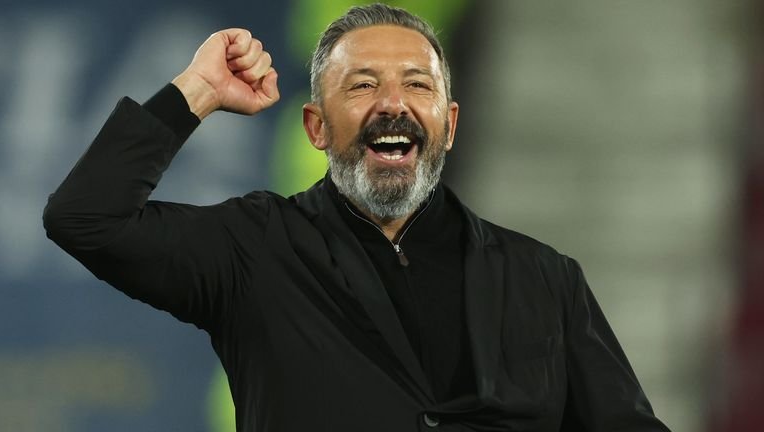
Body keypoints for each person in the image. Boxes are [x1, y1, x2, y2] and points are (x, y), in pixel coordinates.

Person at [43, 3, 671, 432]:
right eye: (363, 85)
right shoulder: (252, 250)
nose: (393, 104)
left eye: (417, 86)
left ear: (448, 127)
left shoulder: (544, 277)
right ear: (316, 127)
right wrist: (195, 93)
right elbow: (85, 217)